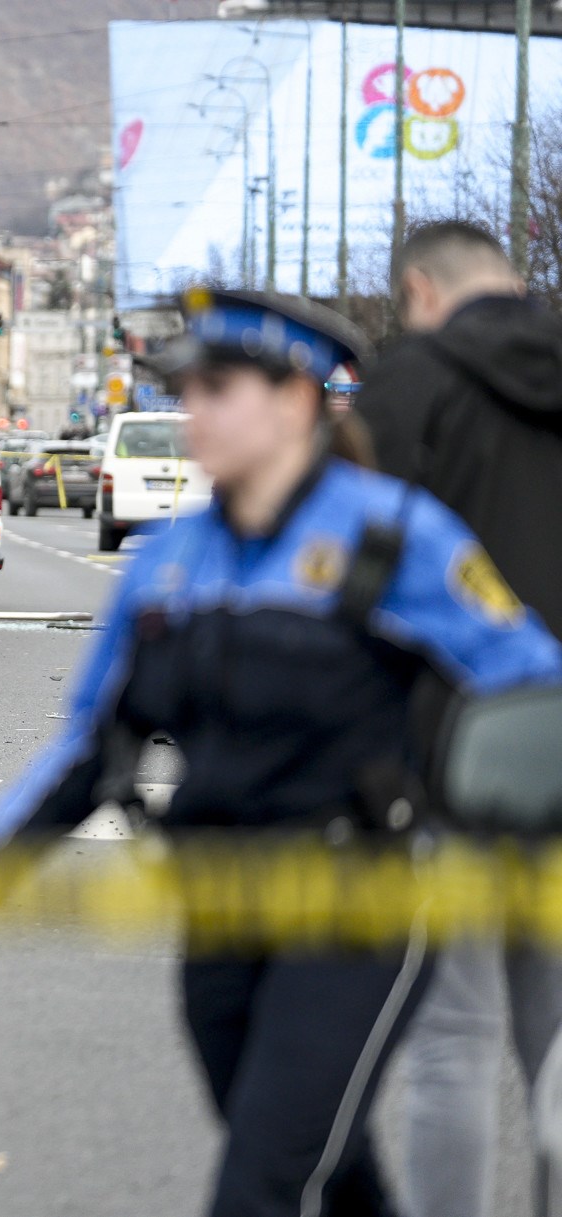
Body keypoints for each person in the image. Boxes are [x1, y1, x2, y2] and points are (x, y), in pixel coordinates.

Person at [0, 288, 562, 1217]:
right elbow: (95, 735)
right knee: (322, 1162)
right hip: (224, 903)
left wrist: (496, 810)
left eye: (216, 389)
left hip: (363, 905)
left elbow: (530, 685)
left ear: (295, 400)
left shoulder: (395, 538)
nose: (193, 413)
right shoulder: (171, 559)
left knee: (262, 1183)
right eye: (188, 389)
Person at [355, 219, 562, 1217]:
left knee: (454, 1041)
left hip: (455, 751)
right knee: (555, 1041)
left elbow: (355, 567)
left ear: (419, 290)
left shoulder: (410, 379)